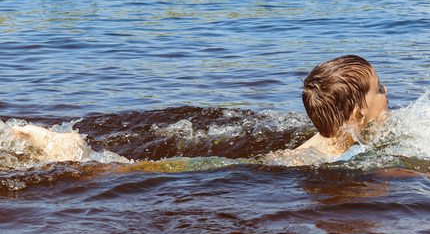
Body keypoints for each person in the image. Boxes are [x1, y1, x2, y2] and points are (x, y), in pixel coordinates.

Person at [11, 55, 388, 163]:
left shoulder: (341, 133)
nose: (387, 92)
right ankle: (80, 155)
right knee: (145, 172)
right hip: (250, 170)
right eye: (379, 89)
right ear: (356, 113)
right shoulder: (334, 155)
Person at [298, 55, 388, 157]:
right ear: (359, 115)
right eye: (379, 89)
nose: (385, 89)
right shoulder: (334, 157)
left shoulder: (330, 137)